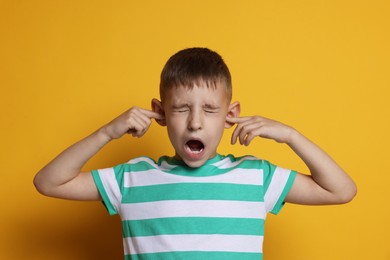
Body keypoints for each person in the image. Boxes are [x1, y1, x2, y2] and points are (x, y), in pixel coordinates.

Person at [34, 47, 357, 259]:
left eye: (210, 110)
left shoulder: (256, 177)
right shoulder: (132, 178)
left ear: (231, 114)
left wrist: (291, 136)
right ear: (160, 113)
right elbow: (49, 183)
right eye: (182, 109)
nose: (196, 123)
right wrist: (105, 133)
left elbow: (341, 190)